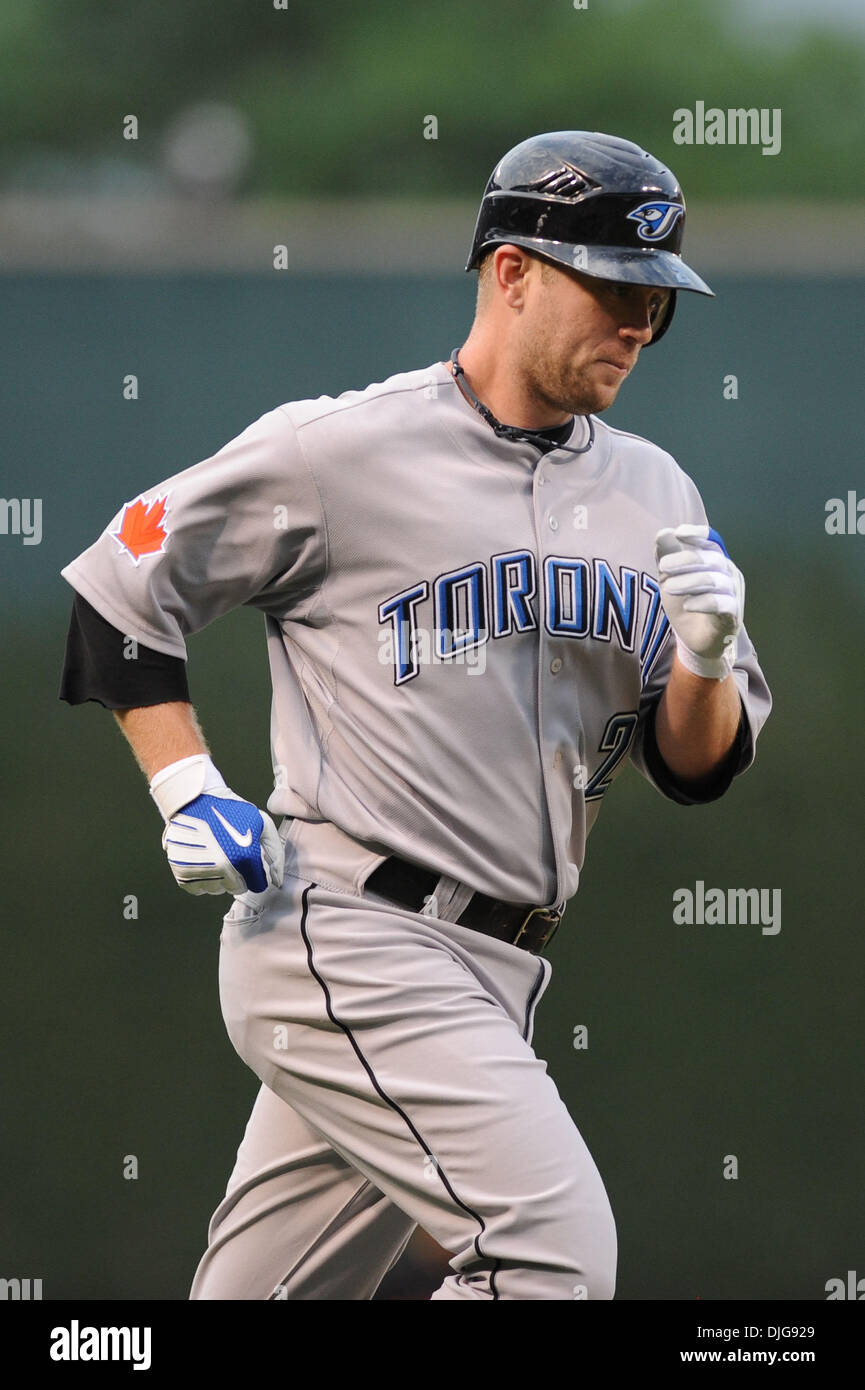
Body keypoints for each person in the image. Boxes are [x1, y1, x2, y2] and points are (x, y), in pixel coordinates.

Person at [59, 130, 772, 1301]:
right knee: (547, 1257)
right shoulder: (341, 449)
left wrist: (703, 657)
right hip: (350, 930)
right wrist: (186, 785)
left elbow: (695, 766)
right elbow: (118, 591)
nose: (641, 321)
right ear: (512, 273)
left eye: (659, 298)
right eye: (615, 288)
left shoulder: (656, 489)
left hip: (498, 965)